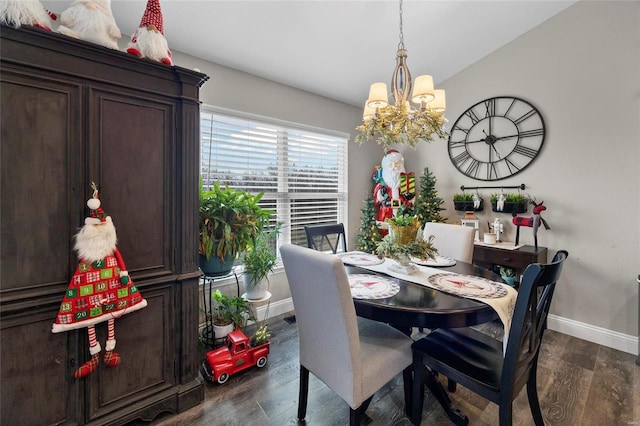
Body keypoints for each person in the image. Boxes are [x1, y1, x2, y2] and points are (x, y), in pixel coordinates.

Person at [52, 183, 147, 378]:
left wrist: (123, 274)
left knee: (111, 313)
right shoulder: (87, 258)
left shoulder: (109, 249)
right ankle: (94, 355)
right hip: (92, 289)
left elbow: (120, 259)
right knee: (89, 316)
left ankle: (109, 350)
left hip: (112, 285)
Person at [372, 150, 415, 223]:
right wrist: (381, 195)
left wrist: (409, 196)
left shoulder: (406, 182)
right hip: (386, 214)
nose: (394, 167)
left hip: (402, 214)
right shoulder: (382, 185)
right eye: (391, 164)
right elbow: (377, 200)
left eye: (397, 164)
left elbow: (411, 202)